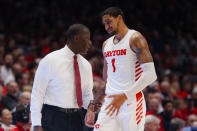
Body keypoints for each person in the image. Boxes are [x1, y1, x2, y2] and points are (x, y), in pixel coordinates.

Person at [94, 7, 157, 131]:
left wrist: (124, 95)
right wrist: (95, 102)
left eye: (109, 22)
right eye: (104, 24)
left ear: (119, 18)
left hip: (131, 101)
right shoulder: (106, 44)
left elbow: (151, 75)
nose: (106, 27)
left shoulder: (135, 38)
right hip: (110, 102)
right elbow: (106, 78)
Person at [30, 24, 95, 131]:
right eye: (87, 39)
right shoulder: (50, 60)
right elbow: (37, 93)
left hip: (77, 118)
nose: (90, 43)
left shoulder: (86, 65)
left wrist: (90, 110)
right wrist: (36, 123)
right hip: (53, 117)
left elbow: (87, 93)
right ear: (76, 38)